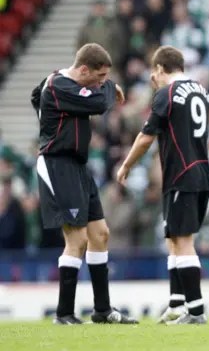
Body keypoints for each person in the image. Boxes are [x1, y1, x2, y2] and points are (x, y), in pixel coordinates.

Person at [30, 43, 136, 325]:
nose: (102, 82)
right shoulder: (59, 85)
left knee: (100, 234)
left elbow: (34, 96)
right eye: (99, 76)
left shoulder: (60, 86)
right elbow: (100, 104)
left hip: (77, 164)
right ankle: (64, 313)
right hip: (58, 164)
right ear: (84, 69)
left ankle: (102, 310)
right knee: (76, 239)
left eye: (106, 78)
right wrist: (110, 87)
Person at [117, 45, 209, 325]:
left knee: (183, 242)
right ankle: (176, 304)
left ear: (159, 68)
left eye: (153, 71)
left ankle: (195, 311)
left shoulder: (166, 93)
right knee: (174, 239)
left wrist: (126, 165)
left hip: (181, 174)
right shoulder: (200, 89)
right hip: (201, 171)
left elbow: (147, 137)